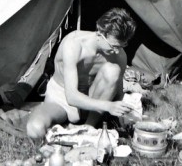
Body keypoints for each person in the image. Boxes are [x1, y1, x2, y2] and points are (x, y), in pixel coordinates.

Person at [26, 7, 137, 140]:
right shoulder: (74, 44)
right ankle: (73, 126)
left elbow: (118, 94)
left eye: (122, 46)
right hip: (61, 98)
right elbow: (71, 97)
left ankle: (88, 127)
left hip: (93, 104)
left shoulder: (119, 56)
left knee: (113, 70)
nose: (118, 51)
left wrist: (129, 111)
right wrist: (108, 106)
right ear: (99, 33)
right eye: (113, 46)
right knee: (35, 129)